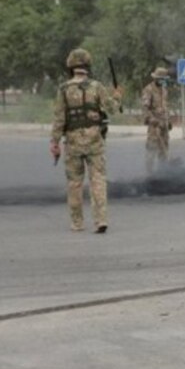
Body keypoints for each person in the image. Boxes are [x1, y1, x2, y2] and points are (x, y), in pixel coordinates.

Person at [49, 48, 123, 233]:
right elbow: (113, 109)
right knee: (98, 179)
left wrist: (55, 142)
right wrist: (118, 96)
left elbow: (59, 118)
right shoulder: (97, 87)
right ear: (87, 66)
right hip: (94, 140)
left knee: (74, 183)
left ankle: (77, 223)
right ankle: (101, 220)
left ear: (71, 66)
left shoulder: (63, 89)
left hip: (73, 142)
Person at [140, 66, 172, 174]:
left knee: (164, 151)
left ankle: (163, 173)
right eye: (161, 79)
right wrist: (153, 120)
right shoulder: (148, 90)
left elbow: (165, 106)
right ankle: (150, 174)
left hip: (164, 125)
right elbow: (145, 108)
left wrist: (169, 120)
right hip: (154, 127)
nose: (163, 81)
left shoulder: (164, 90)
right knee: (151, 150)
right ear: (156, 78)